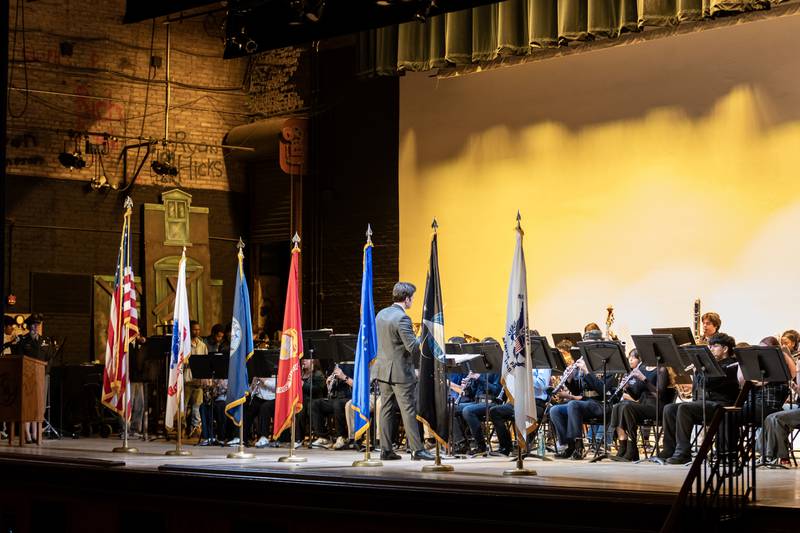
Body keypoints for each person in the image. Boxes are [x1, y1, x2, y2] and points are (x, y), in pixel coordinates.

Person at [373, 282, 434, 461]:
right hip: (400, 371)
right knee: (408, 410)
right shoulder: (402, 318)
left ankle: (385, 449)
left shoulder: (381, 314)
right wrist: (424, 333)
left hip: (383, 370)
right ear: (406, 298)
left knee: (386, 409)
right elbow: (412, 347)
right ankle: (417, 450)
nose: (412, 301)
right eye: (412, 298)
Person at [658, 332, 740, 465]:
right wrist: (699, 370)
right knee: (669, 408)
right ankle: (669, 449)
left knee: (685, 408)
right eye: (710, 346)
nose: (711, 348)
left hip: (721, 405)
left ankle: (683, 452)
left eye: (715, 346)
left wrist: (701, 369)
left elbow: (709, 384)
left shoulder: (731, 365)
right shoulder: (712, 365)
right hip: (706, 404)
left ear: (725, 349)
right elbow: (700, 386)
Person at [548, 329, 617, 459]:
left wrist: (587, 372)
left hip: (602, 404)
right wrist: (569, 379)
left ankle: (578, 445)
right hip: (586, 403)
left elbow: (603, 391)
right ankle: (569, 445)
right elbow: (577, 391)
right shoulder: (583, 363)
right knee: (555, 409)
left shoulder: (608, 365)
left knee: (573, 404)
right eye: (585, 345)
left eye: (589, 345)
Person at [609, 349, 674, 462]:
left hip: (656, 407)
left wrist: (644, 379)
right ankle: (623, 445)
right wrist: (628, 387)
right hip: (643, 405)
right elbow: (636, 396)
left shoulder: (661, 370)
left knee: (627, 407)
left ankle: (632, 446)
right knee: (618, 406)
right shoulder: (642, 369)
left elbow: (659, 395)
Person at [489, 366, 551, 455]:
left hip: (535, 402)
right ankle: (506, 447)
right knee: (494, 411)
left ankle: (525, 446)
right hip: (519, 400)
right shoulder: (520, 362)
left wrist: (524, 374)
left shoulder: (543, 364)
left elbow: (542, 384)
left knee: (520, 412)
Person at [451, 369, 501, 455]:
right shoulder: (479, 370)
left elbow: (496, 391)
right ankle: (462, 443)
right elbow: (471, 393)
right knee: (452, 408)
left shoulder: (497, 371)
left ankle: (481, 446)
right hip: (476, 402)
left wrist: (479, 378)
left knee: (468, 411)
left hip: (491, 402)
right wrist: (466, 386)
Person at [310, 363, 354, 450]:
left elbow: (359, 386)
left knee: (337, 404)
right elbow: (330, 392)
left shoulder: (355, 364)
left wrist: (344, 377)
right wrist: (329, 384)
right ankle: (323, 438)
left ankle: (341, 437)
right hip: (335, 398)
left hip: (350, 398)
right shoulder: (335, 365)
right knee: (315, 404)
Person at [185, 320, 207, 437]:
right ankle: (182, 427)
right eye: (194, 329)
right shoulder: (185, 344)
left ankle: (196, 428)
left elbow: (205, 363)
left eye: (198, 329)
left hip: (198, 380)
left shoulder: (202, 345)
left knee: (197, 406)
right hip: (187, 379)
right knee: (183, 406)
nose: (197, 331)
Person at [245, 376, 276, 448]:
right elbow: (252, 390)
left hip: (274, 398)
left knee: (264, 408)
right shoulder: (259, 371)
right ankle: (244, 437)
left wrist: (264, 381)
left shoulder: (276, 370)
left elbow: (277, 387)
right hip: (259, 397)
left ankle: (264, 437)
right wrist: (253, 385)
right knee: (247, 406)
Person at [199, 378, 228, 446]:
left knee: (220, 406)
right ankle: (208, 437)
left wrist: (218, 385)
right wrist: (207, 388)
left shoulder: (228, 375)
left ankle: (221, 437)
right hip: (213, 401)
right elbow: (208, 397)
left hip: (224, 400)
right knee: (202, 407)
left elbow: (227, 389)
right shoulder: (213, 376)